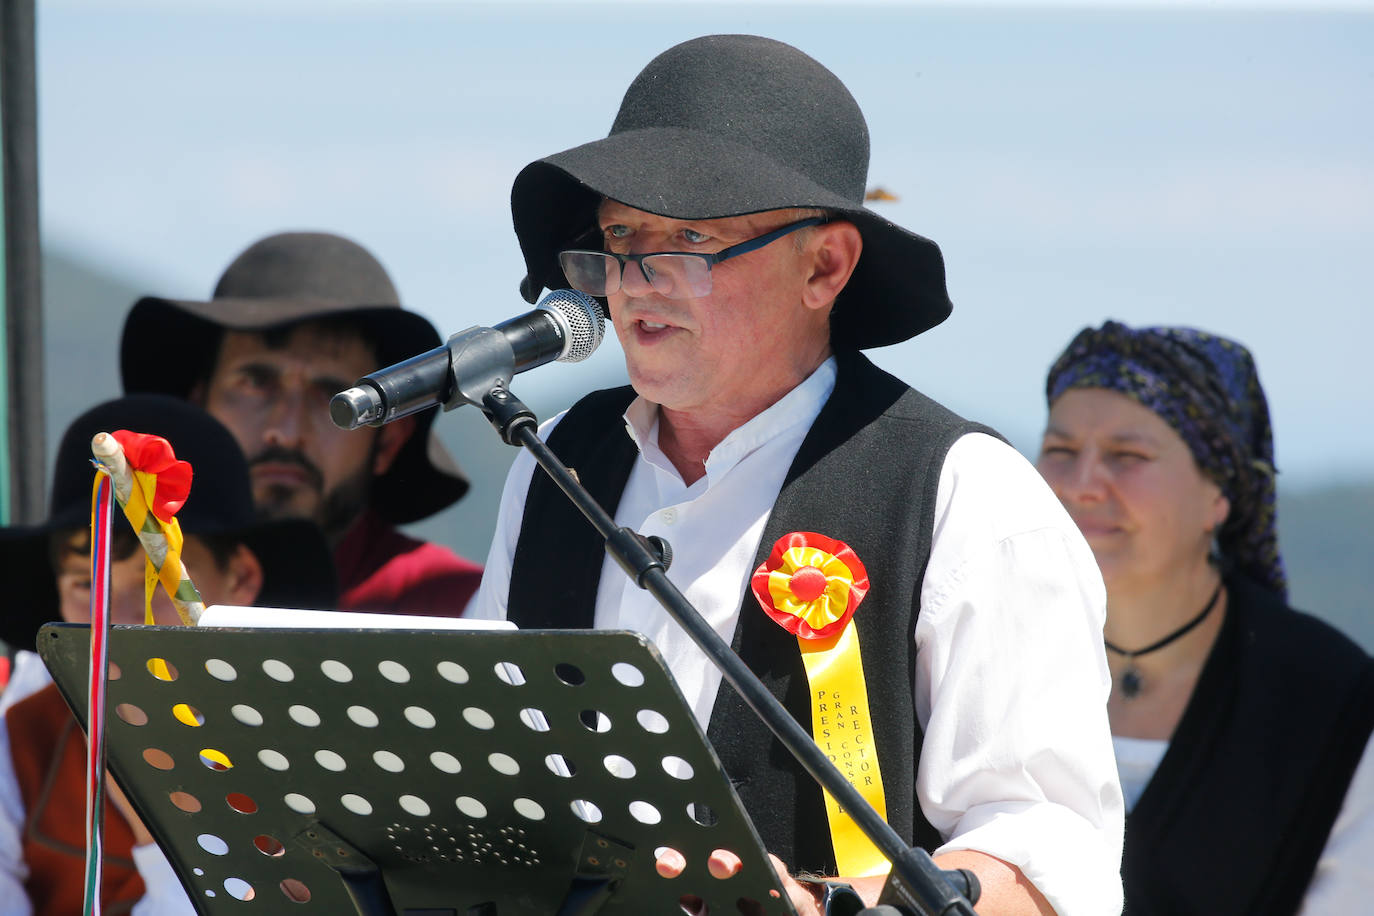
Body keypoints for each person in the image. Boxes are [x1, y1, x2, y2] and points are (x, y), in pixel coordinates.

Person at [467, 34, 1123, 915]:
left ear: (824, 266)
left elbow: (1054, 863)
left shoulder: (967, 495)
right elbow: (489, 744)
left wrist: (832, 909)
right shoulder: (556, 457)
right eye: (621, 237)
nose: (634, 281)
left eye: (688, 238)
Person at [1036, 321, 1374, 914]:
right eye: (1061, 451)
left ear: (1220, 494)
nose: (1083, 484)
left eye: (1128, 455)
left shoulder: (1335, 707)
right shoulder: (993, 655)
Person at [0, 394, 339, 915]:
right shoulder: (20, 737)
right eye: (85, 584)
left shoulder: (304, 742)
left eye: (151, 580)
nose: (118, 615)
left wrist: (163, 823)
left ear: (241, 577)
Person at [119, 231, 482, 616]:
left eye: (331, 394)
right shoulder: (113, 594)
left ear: (389, 440)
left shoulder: (461, 612)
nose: (287, 433)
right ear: (198, 411)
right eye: (256, 383)